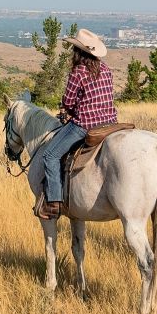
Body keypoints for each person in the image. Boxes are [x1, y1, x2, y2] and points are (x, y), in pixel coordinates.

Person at [33, 29, 117, 220]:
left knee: (50, 155)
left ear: (78, 52)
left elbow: (69, 101)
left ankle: (54, 203)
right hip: (110, 122)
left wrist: (67, 110)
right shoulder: (106, 69)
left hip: (86, 125)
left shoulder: (78, 72)